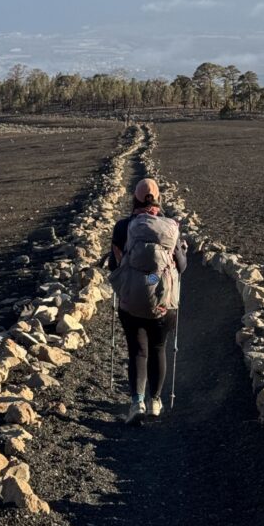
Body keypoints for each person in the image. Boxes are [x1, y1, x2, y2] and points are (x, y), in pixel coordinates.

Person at [108, 177, 187, 424]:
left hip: (132, 299)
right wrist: (155, 276)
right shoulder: (171, 226)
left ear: (134, 198)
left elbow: (113, 264)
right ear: (158, 199)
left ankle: (136, 403)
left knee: (137, 351)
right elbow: (181, 267)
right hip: (164, 301)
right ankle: (155, 401)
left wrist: (140, 277)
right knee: (158, 349)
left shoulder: (122, 227)